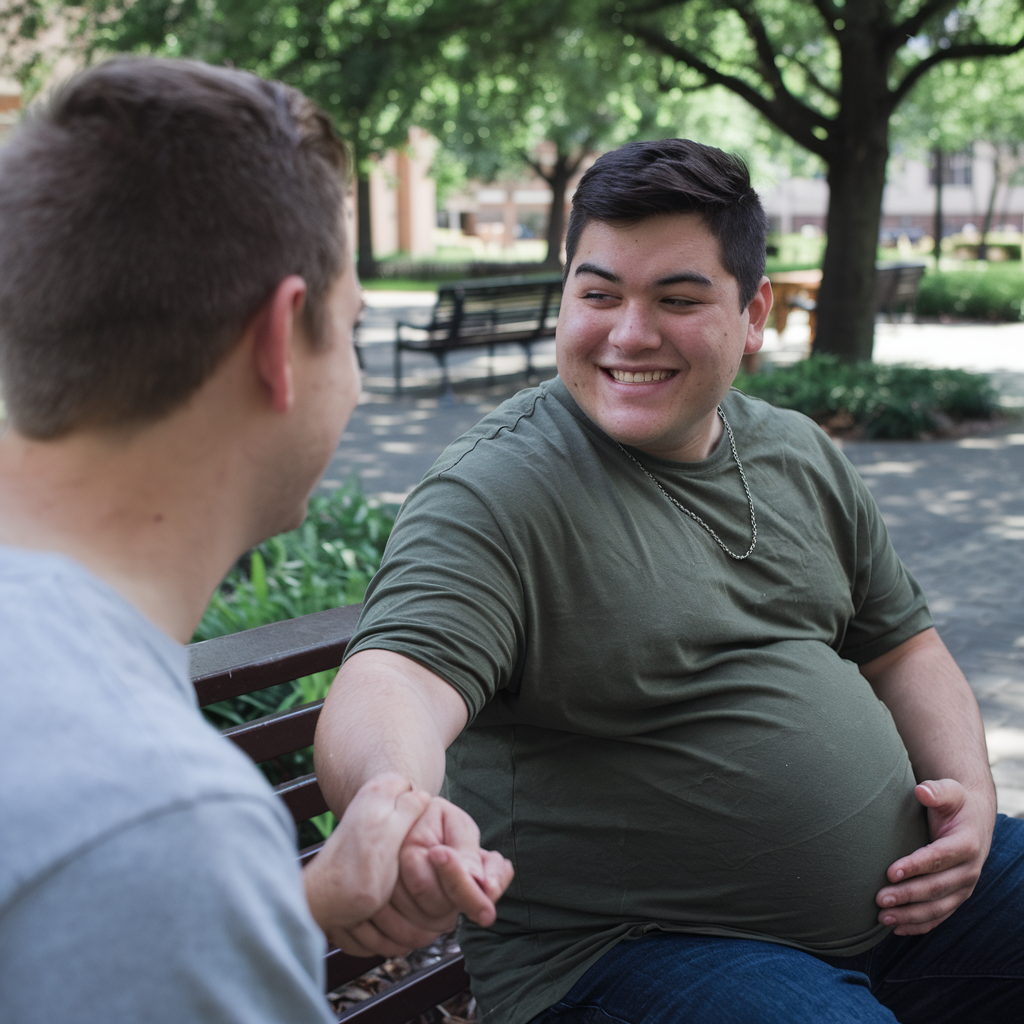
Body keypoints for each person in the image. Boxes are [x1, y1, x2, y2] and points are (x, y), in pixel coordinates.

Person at [313, 138, 1024, 1024]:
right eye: (598, 294)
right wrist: (397, 801)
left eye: (677, 299)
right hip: (629, 955)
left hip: (907, 911)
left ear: (753, 311)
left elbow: (904, 647)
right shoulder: (497, 490)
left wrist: (972, 803)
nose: (630, 333)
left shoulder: (795, 452)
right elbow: (397, 677)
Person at [0, 57, 511, 1023]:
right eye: (351, 327)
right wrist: (209, 876)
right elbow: (118, 852)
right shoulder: (155, 811)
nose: (354, 379)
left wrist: (281, 907)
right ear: (281, 341)